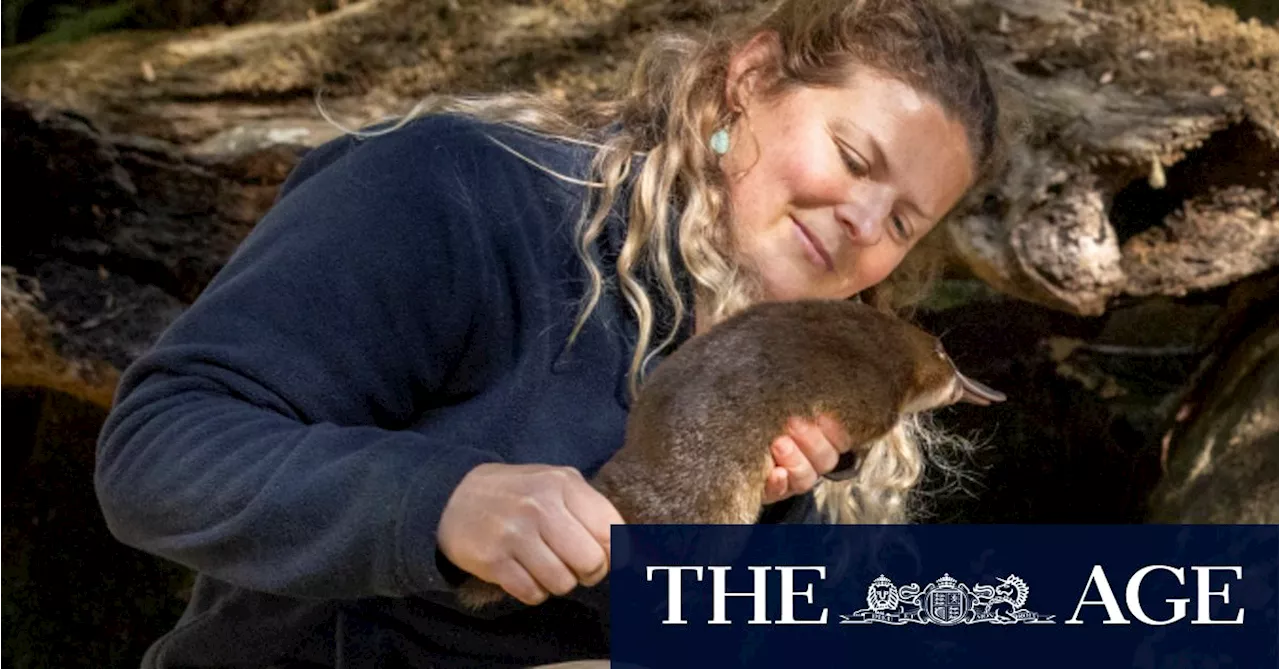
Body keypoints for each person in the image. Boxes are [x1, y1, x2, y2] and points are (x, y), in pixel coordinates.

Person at [93, 0, 1001, 666]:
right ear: (751, 77)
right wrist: (441, 502)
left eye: (901, 224)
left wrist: (752, 521)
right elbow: (157, 450)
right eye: (852, 160)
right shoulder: (457, 192)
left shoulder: (811, 395)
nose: (861, 222)